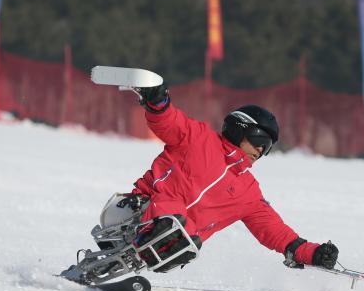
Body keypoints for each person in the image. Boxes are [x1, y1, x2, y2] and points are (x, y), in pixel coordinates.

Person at [116, 81, 339, 273]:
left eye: (267, 148)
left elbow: (273, 230)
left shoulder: (248, 191)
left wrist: (312, 253)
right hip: (140, 208)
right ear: (241, 130)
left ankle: (130, 262)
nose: (261, 151)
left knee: (186, 237)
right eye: (259, 142)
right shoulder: (199, 139)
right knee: (175, 222)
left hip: (175, 241)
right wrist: (157, 102)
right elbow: (169, 122)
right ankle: (140, 241)